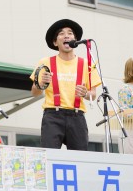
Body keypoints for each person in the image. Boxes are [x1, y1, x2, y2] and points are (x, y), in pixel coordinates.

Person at [30, 19, 101, 151]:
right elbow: (34, 92)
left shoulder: (87, 64)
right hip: (52, 115)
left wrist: (85, 93)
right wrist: (41, 83)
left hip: (77, 116)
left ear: (76, 40)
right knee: (49, 156)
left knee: (80, 158)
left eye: (70, 33)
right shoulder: (45, 62)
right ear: (55, 42)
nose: (66, 36)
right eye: (61, 33)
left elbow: (93, 94)